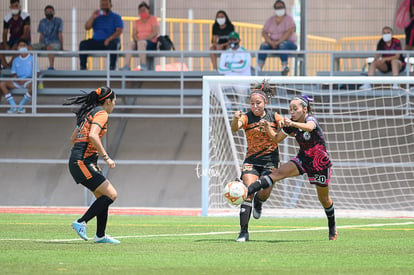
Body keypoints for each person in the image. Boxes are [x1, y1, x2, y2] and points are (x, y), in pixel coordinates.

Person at [245, 95, 337, 241]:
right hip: (302, 158)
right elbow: (276, 138)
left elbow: (310, 127)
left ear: (304, 109)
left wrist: (293, 124)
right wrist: (267, 127)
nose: (292, 112)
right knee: (277, 173)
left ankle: (332, 226)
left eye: (295, 109)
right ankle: (249, 192)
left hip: (319, 162)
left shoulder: (310, 119)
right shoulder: (290, 124)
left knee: (324, 199)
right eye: (290, 109)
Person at [64, 86, 120, 244]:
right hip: (81, 162)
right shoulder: (101, 113)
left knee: (103, 197)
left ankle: (100, 236)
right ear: (108, 101)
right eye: (114, 101)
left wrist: (92, 160)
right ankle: (81, 222)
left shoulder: (89, 113)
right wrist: (106, 157)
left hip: (81, 161)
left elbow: (73, 138)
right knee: (112, 195)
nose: (114, 104)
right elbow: (93, 136)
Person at [230, 80, 284, 242]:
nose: (255, 106)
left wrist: (275, 125)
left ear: (265, 102)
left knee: (264, 193)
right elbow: (235, 127)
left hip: (271, 162)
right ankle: (243, 232)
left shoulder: (274, 116)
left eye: (258, 103)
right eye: (252, 103)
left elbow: (282, 133)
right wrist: (235, 118)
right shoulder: (246, 117)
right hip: (251, 161)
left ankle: (260, 203)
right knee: (248, 192)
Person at [79, 0, 123, 70]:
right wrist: (93, 17)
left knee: (113, 45)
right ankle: (83, 67)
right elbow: (87, 27)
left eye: (106, 5)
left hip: (110, 41)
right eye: (102, 5)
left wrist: (109, 39)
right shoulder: (96, 17)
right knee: (83, 44)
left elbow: (119, 31)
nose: (104, 7)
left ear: (110, 6)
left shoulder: (116, 17)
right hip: (97, 41)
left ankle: (112, 68)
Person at [257, 0, 297, 75]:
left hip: (288, 44)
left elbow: (289, 32)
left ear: (284, 8)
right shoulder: (270, 20)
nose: (279, 9)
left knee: (283, 45)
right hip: (273, 43)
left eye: (281, 7)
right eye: (277, 8)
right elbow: (264, 32)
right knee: (263, 45)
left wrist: (278, 42)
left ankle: (284, 67)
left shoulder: (289, 19)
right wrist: (270, 42)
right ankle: (259, 67)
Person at [0, 38, 39, 114]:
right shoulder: (15, 60)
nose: (22, 47)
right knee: (2, 84)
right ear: (17, 48)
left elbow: (37, 72)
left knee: (34, 85)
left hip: (28, 81)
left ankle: (21, 105)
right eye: (20, 46)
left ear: (27, 47)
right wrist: (16, 79)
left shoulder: (32, 58)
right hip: (18, 81)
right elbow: (14, 74)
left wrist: (30, 79)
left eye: (24, 45)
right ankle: (13, 105)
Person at [121, 1, 159, 71]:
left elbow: (155, 32)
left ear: (148, 10)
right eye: (140, 11)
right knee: (130, 44)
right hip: (139, 42)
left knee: (142, 43)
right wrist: (137, 40)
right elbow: (134, 34)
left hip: (150, 42)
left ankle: (143, 66)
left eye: (144, 10)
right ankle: (126, 66)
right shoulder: (137, 22)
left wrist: (144, 39)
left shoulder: (153, 19)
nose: (142, 12)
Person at [0, 0, 31, 69]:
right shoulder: (7, 18)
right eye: (13, 6)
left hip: (24, 41)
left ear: (20, 7)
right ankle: (5, 66)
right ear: (10, 7)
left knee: (21, 47)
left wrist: (17, 43)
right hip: (12, 40)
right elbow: (5, 33)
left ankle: (11, 65)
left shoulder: (26, 16)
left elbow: (25, 33)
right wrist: (5, 44)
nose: (14, 8)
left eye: (16, 6)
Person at [31, 5, 63, 70]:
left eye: (50, 11)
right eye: (47, 12)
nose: (49, 13)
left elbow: (60, 34)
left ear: (54, 12)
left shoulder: (59, 21)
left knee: (49, 47)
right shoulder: (42, 22)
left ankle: (51, 66)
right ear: (44, 13)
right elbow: (41, 35)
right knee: (29, 47)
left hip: (55, 43)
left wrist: (61, 46)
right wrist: (40, 45)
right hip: (44, 43)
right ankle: (32, 66)